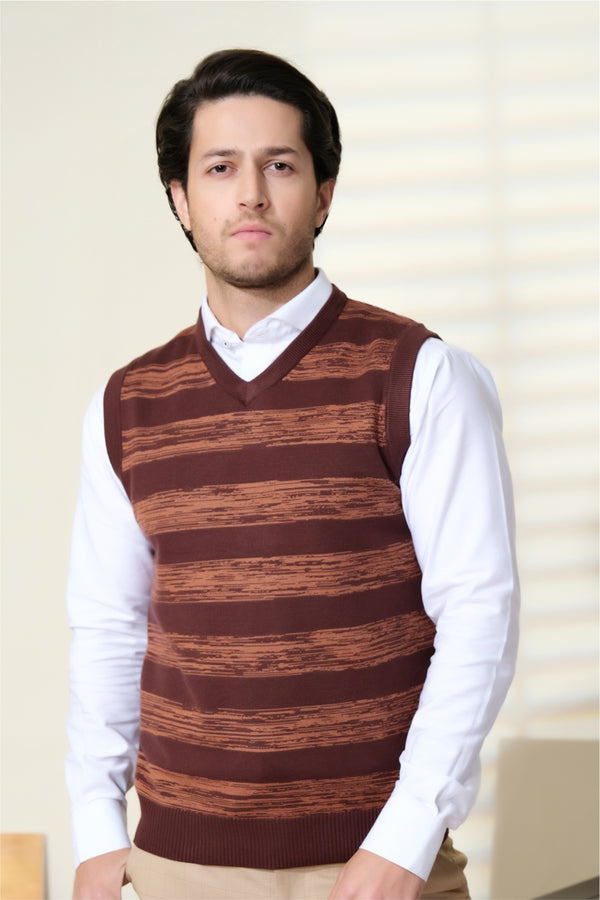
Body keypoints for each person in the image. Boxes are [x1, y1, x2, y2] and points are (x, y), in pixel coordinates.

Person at [66, 48, 519, 900]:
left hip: (372, 867)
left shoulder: (420, 375)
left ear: (324, 193)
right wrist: (97, 831)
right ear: (180, 198)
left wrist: (406, 841)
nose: (250, 194)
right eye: (220, 168)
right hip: (175, 867)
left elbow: (479, 614)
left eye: (280, 165)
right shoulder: (126, 404)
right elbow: (108, 627)